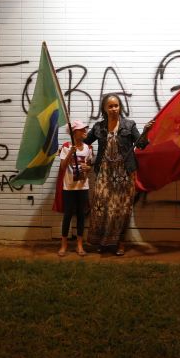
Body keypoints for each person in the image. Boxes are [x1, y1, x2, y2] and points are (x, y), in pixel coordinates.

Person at [84, 94, 153, 256]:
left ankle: (120, 243)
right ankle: (102, 242)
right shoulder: (98, 128)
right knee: (101, 207)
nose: (114, 109)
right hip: (104, 172)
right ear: (104, 109)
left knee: (121, 210)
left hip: (125, 174)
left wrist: (145, 132)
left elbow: (141, 145)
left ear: (120, 107)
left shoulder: (129, 125)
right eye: (110, 106)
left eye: (116, 106)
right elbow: (85, 143)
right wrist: (73, 137)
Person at [57, 120, 94, 257]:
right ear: (74, 132)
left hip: (83, 186)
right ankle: (64, 245)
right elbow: (62, 167)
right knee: (67, 215)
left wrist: (88, 168)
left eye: (85, 129)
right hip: (69, 187)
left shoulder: (88, 148)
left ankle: (79, 245)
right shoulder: (66, 146)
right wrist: (69, 153)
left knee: (81, 215)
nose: (85, 131)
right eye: (82, 129)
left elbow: (89, 166)